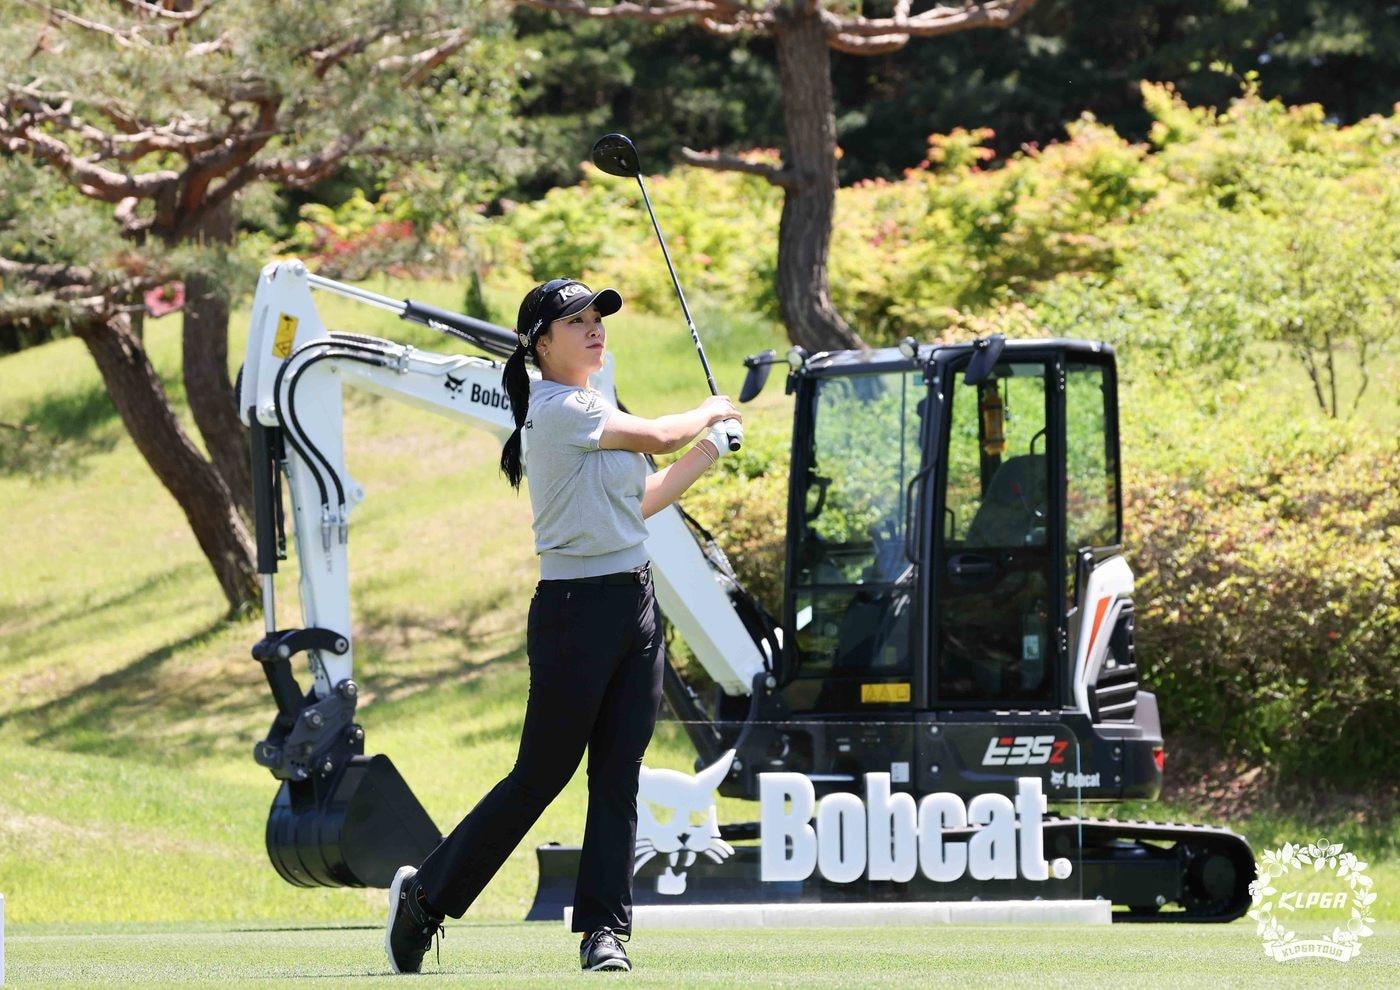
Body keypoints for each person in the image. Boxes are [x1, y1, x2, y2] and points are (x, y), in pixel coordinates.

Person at [384, 277, 743, 975]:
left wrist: (713, 449)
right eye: (575, 322)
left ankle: (603, 934)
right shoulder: (556, 410)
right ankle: (425, 899)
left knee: (618, 774)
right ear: (541, 345)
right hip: (574, 613)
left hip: (634, 603)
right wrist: (706, 411)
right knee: (539, 776)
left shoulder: (591, 404)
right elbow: (662, 431)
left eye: (597, 319)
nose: (594, 329)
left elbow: (639, 502)